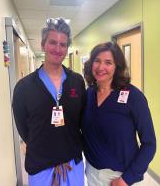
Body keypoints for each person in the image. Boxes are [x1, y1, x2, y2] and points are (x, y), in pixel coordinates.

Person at [12, 18, 86, 186]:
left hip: (72, 166)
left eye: (63, 44)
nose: (58, 49)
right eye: (53, 42)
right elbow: (24, 130)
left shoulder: (76, 82)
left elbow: (80, 122)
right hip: (41, 168)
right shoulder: (24, 88)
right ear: (42, 44)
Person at [82, 42, 156, 186]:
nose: (101, 67)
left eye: (108, 62)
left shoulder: (134, 97)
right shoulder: (89, 94)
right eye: (97, 61)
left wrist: (126, 179)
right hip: (91, 173)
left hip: (120, 178)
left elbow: (149, 144)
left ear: (117, 66)